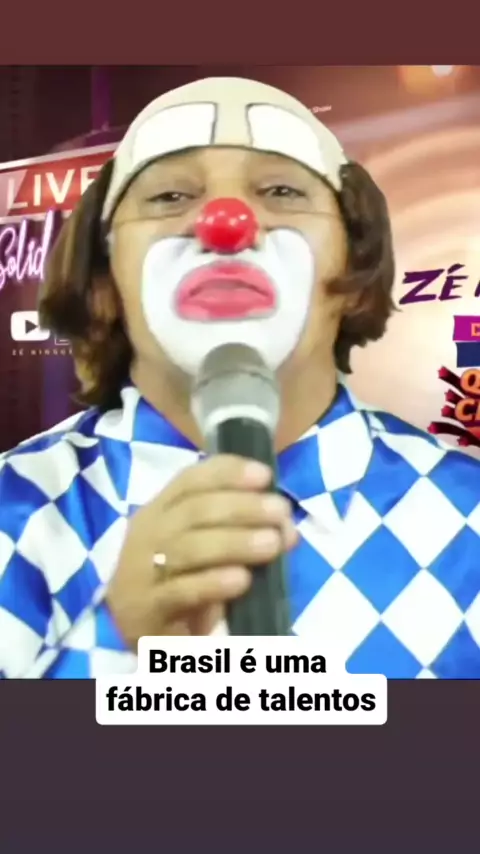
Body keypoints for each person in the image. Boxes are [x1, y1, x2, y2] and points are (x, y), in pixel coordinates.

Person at [1, 76, 480, 681]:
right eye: (170, 195)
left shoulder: (471, 515)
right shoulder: (14, 508)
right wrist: (112, 643)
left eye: (281, 190)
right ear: (103, 280)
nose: (225, 224)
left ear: (354, 271)